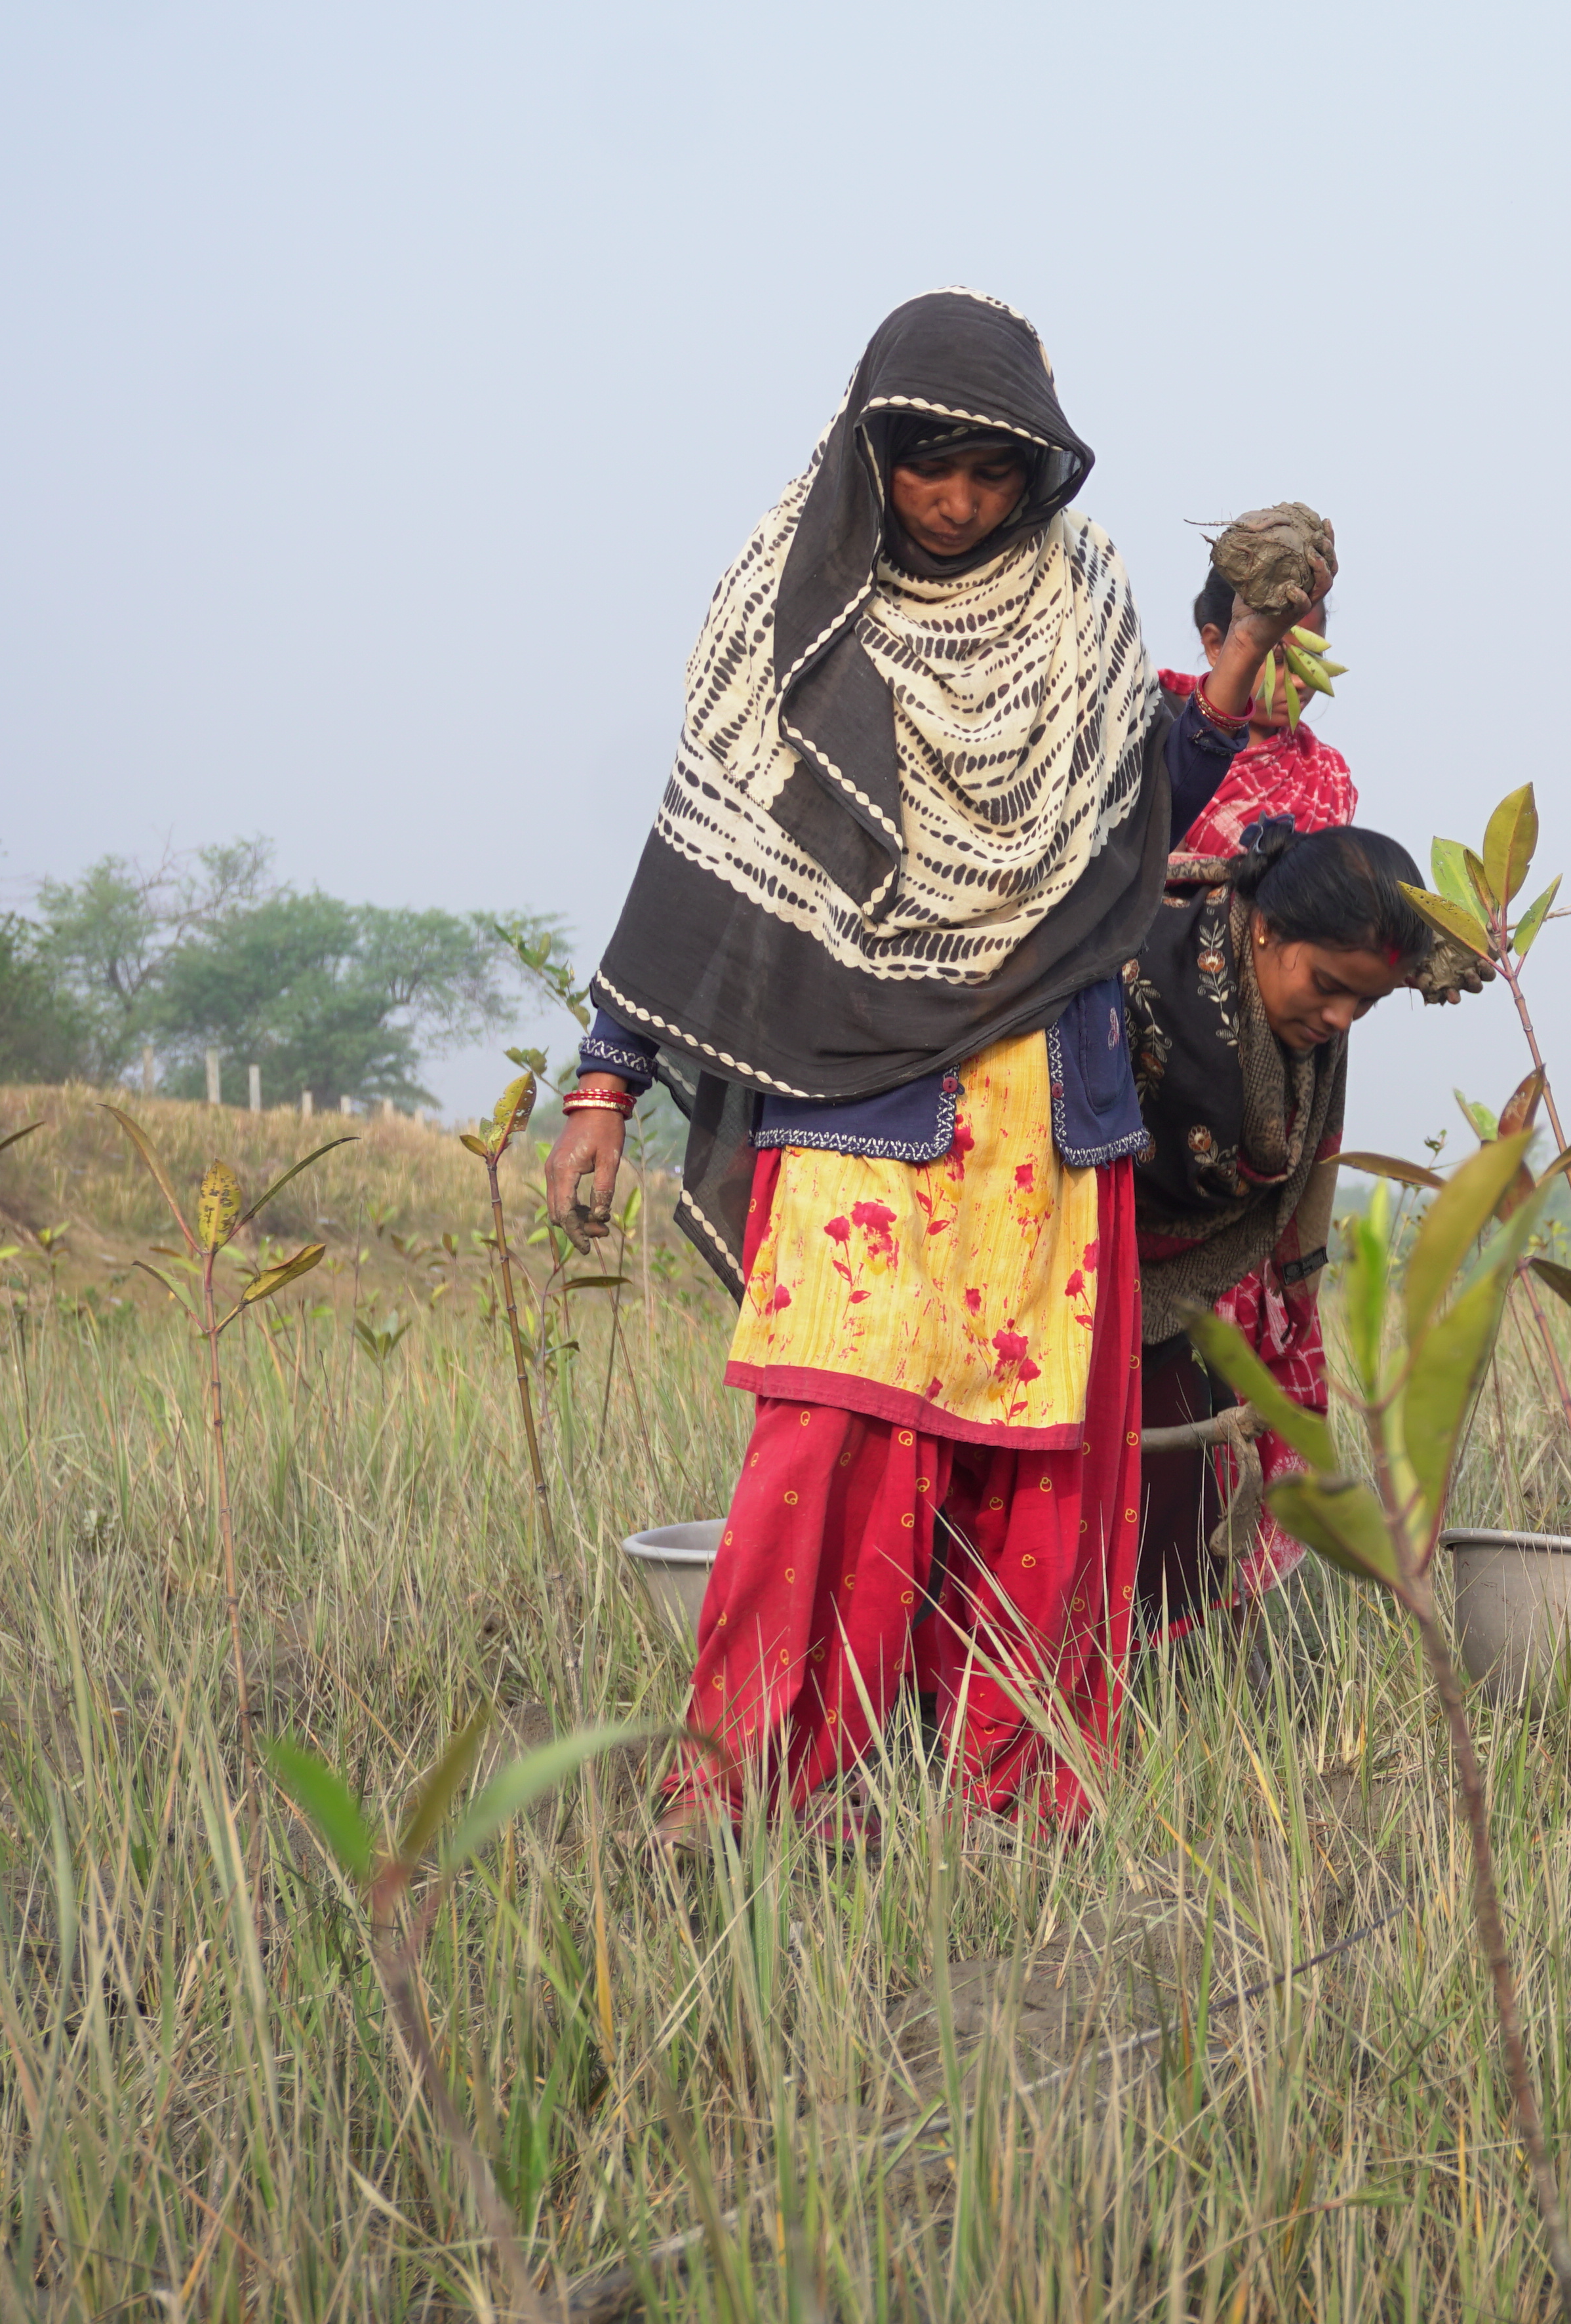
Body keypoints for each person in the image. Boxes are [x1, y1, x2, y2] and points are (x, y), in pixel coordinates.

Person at [541, 290, 1255, 1834]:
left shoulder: (1081, 610)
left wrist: (1233, 690)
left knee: (1034, 1464)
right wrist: (607, 1080)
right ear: (876, 452)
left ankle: (1010, 1798)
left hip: (1043, 1118)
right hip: (859, 1103)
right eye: (929, 465)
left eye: (993, 475)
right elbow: (707, 870)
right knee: (821, 1447)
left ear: (1040, 478)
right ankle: (743, 1789)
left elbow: (1128, 823)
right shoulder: (792, 614)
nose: (957, 502)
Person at [1126, 821, 1448, 1635]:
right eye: (1329, 984)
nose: (1341, 1018)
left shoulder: (1300, 1034)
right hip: (1068, 1282)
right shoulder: (1135, 974)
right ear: (1266, 927)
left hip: (1173, 1299)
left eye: (1366, 1002)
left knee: (1179, 1516)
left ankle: (1144, 1708)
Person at [1160, 505, 1356, 863]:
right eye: (1279, 661)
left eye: (1312, 661)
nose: (1299, 681)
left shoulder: (1327, 775)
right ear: (1216, 646)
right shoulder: (1154, 725)